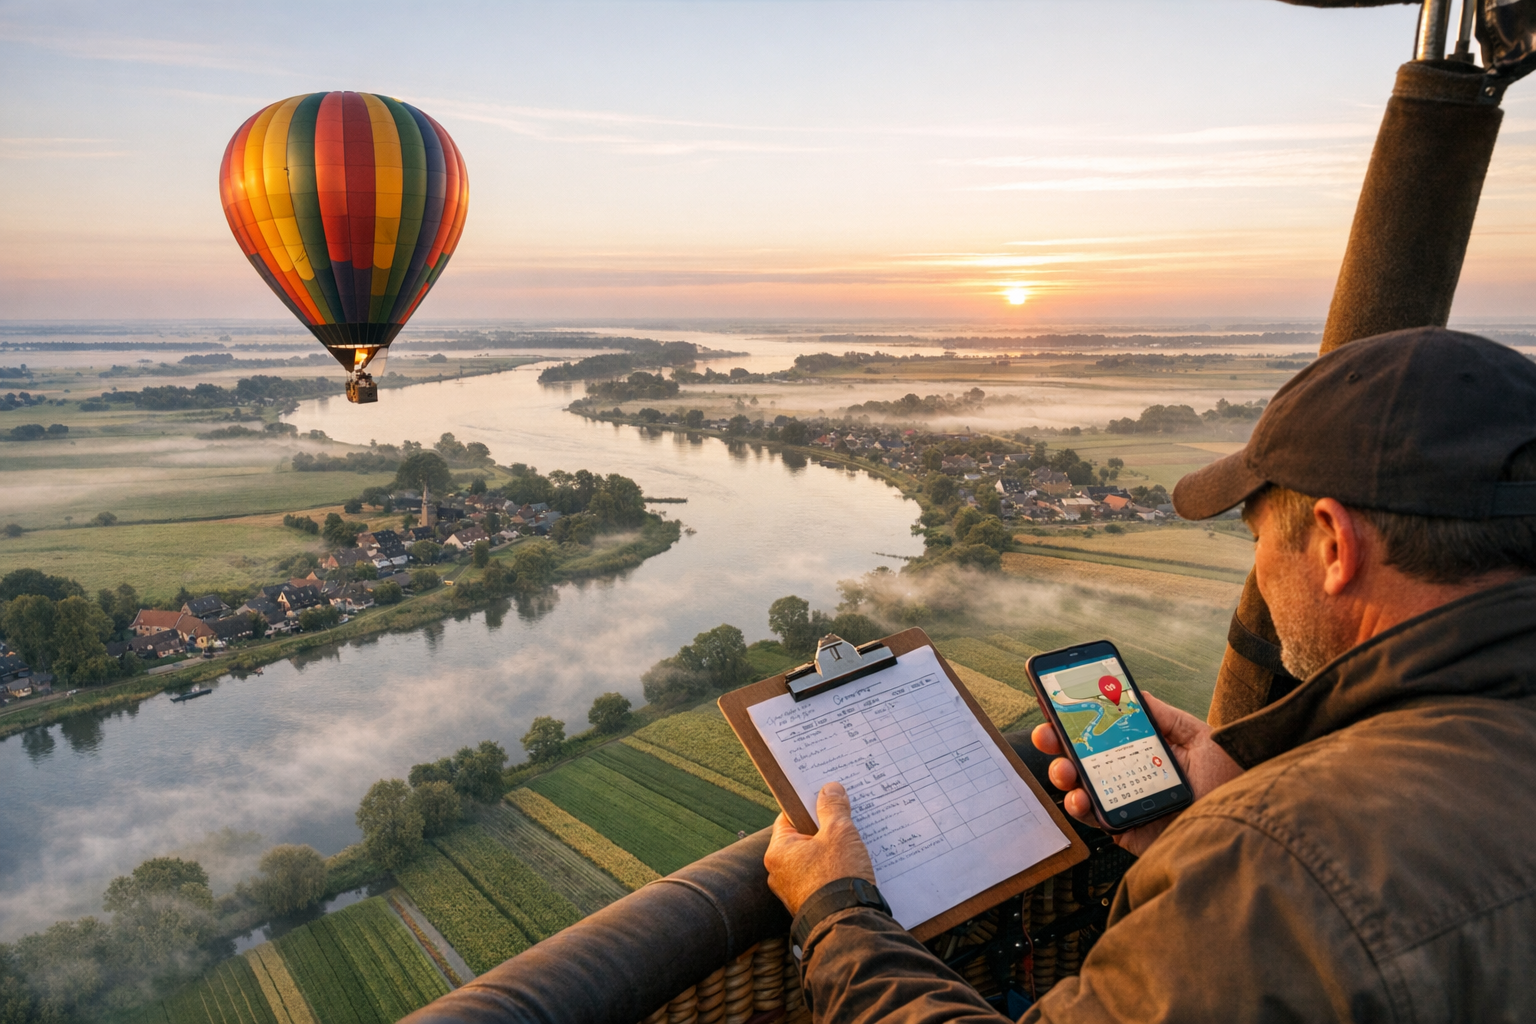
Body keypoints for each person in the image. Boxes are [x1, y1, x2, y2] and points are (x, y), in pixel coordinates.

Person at [764, 327, 1536, 1022]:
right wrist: (1223, 812)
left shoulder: (1278, 871)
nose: (1262, 571)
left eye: (1259, 538)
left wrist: (837, 917)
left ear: (1334, 545)